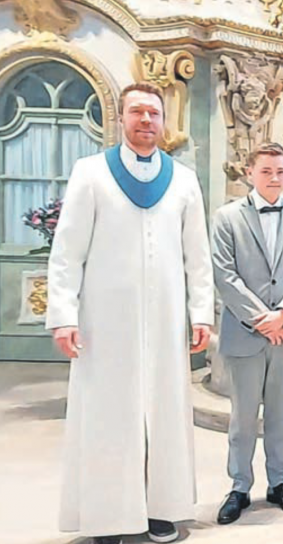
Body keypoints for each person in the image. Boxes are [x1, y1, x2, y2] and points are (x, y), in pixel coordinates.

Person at [46, 82, 214, 544]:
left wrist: (201, 313)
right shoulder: (91, 173)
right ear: (121, 118)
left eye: (154, 114)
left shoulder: (182, 180)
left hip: (164, 322)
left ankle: (163, 508)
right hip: (105, 321)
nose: (146, 120)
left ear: (164, 122)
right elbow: (67, 252)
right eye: (137, 112)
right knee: (107, 417)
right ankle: (107, 517)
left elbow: (197, 256)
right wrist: (63, 314)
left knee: (165, 415)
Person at [211, 143, 283, 524]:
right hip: (245, 333)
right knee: (242, 416)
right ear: (251, 174)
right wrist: (263, 319)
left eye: (281, 171)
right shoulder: (227, 218)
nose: (275, 178)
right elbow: (225, 275)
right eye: (267, 171)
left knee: (279, 414)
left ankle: (279, 482)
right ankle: (239, 486)